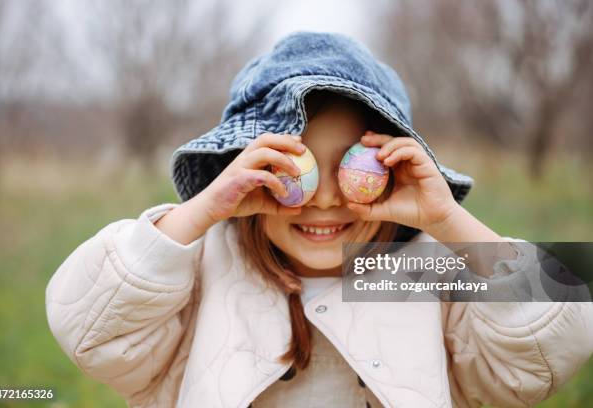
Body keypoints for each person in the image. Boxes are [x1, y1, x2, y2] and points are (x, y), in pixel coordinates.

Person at [45, 32, 593, 407]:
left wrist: (448, 222)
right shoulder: (205, 263)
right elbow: (90, 330)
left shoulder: (421, 270)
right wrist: (199, 214)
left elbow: (558, 339)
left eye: (357, 165)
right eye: (294, 167)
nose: (326, 198)